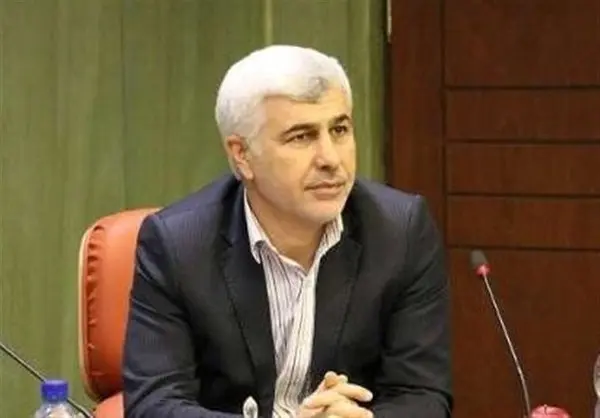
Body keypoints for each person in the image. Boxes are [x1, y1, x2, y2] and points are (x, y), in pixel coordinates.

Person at [123, 45, 452, 418]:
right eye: (301, 137)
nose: (331, 158)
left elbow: (423, 395)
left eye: (340, 129)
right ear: (242, 155)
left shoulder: (401, 231)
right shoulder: (178, 245)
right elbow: (153, 406)